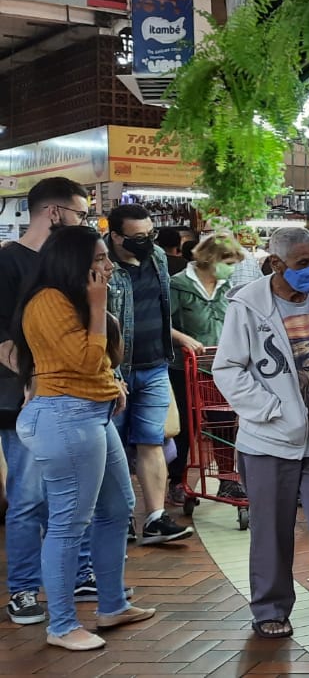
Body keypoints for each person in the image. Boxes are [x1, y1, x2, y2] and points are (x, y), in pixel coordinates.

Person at [213, 227, 309, 643]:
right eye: (303, 264)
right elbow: (227, 368)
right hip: (269, 440)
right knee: (272, 529)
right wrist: (271, 411)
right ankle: (269, 610)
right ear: (278, 264)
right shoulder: (247, 306)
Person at [14, 225, 155, 650]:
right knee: (68, 523)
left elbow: (105, 361)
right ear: (73, 262)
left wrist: (112, 382)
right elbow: (84, 359)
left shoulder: (76, 301)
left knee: (118, 506)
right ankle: (61, 626)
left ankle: (111, 604)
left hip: (90, 414)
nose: (108, 266)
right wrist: (97, 307)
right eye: (99, 259)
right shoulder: (48, 302)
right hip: (64, 418)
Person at [0, 178, 101, 624]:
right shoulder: (8, 263)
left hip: (77, 399)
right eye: (81, 214)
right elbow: (3, 337)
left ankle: (78, 572)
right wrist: (33, 379)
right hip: (24, 400)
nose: (86, 223)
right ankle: (23, 589)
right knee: (27, 497)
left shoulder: (68, 263)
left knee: (75, 496)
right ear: (55, 213)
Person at [105, 204, 196, 545]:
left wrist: (175, 337)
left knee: (152, 440)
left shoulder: (157, 256)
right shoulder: (101, 264)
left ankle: (156, 518)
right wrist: (109, 372)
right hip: (117, 372)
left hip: (155, 365)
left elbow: (161, 308)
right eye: (138, 237)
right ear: (116, 236)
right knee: (112, 448)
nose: (147, 241)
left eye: (151, 234)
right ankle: (119, 517)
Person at [167, 233, 248, 504]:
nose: (231, 268)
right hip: (185, 368)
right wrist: (182, 339)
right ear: (211, 259)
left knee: (224, 423)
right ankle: (177, 480)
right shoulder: (178, 285)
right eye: (228, 262)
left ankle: (228, 479)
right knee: (184, 428)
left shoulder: (228, 288)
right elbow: (160, 323)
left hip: (221, 368)